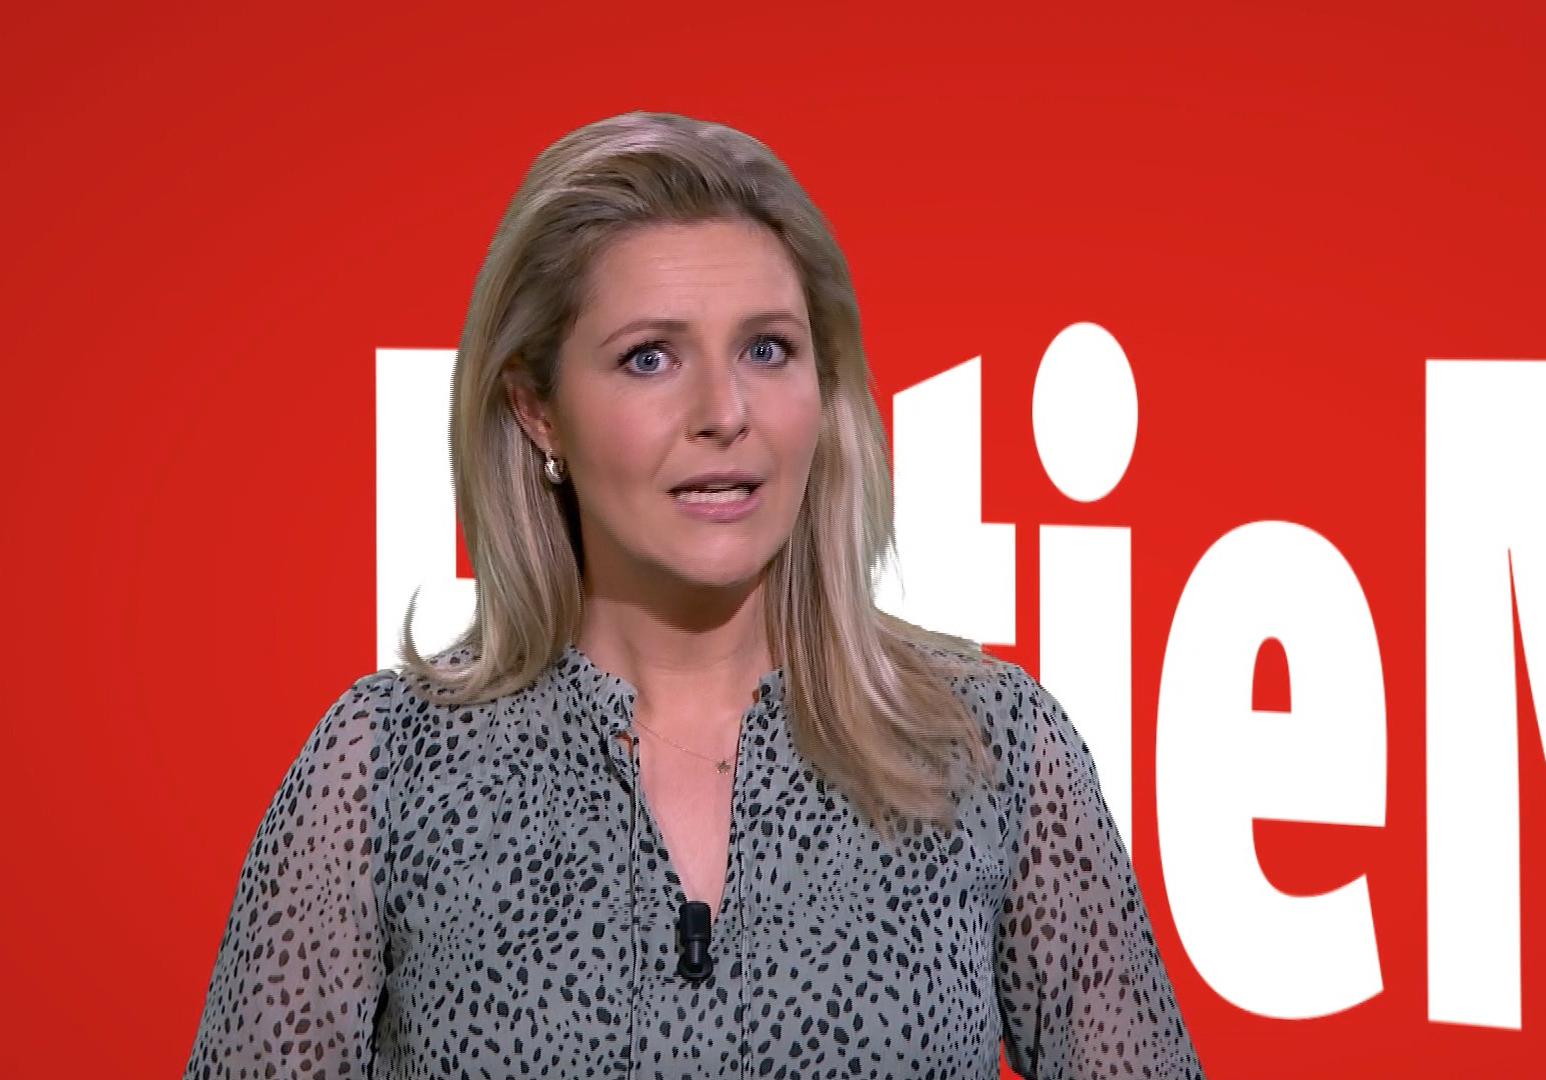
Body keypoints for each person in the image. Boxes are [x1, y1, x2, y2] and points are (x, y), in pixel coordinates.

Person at [181, 110, 1202, 1080]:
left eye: (767, 349)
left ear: (823, 388)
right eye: (650, 357)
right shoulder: (389, 767)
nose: (724, 410)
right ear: (537, 409)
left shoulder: (989, 748)